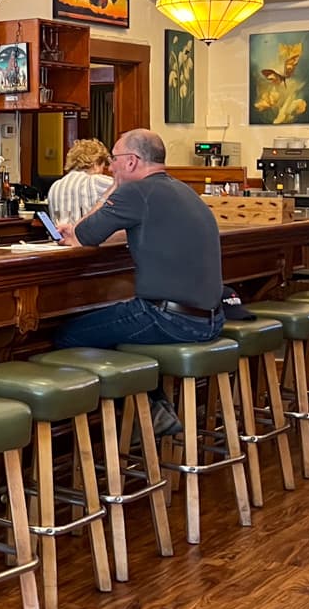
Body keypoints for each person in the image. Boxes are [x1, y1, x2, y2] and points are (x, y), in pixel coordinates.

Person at [53, 128, 224, 435]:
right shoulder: (184, 191)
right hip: (211, 319)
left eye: (115, 160)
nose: (111, 166)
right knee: (116, 330)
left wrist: (112, 191)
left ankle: (116, 426)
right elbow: (126, 230)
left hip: (168, 318)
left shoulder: (135, 192)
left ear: (131, 162)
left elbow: (82, 235)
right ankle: (155, 406)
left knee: (67, 335)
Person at [46, 139, 113, 225]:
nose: (102, 171)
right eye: (103, 167)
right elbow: (129, 192)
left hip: (63, 238)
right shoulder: (95, 181)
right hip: (89, 237)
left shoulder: (55, 186)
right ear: (95, 164)